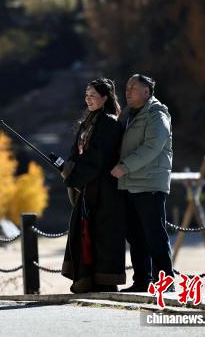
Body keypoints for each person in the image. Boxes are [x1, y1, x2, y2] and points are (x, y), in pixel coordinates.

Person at [61, 78, 126, 293]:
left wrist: (75, 176)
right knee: (83, 232)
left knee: (103, 234)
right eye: (86, 95)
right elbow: (76, 152)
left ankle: (105, 281)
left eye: (93, 95)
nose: (88, 99)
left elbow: (98, 158)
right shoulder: (88, 121)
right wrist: (68, 167)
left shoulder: (108, 122)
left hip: (105, 187)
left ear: (105, 98)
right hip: (88, 186)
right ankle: (85, 278)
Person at [110, 74, 174, 292]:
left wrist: (125, 166)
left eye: (133, 87)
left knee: (155, 235)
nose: (127, 91)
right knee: (135, 236)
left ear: (146, 91)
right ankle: (142, 282)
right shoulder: (126, 114)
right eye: (127, 87)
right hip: (128, 183)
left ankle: (166, 283)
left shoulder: (157, 113)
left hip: (149, 184)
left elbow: (153, 146)